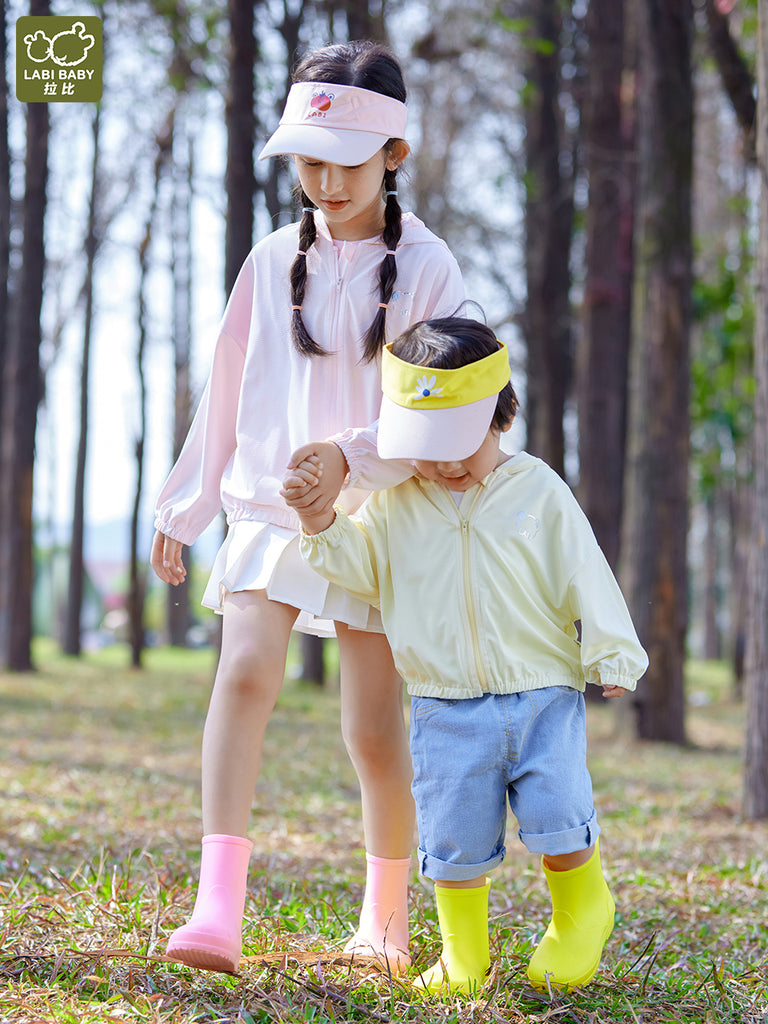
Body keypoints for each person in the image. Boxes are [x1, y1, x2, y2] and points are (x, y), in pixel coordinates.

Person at [150, 41, 464, 975]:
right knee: (243, 675)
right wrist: (188, 502)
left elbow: (447, 400)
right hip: (270, 513)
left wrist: (349, 460)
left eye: (347, 161)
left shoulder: (431, 268)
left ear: (395, 156)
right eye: (309, 160)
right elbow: (226, 385)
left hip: (377, 520)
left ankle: (386, 921)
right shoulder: (268, 259)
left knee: (372, 726)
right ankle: (216, 909)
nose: (325, 180)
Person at [282, 316, 649, 994]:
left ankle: (582, 910)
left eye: (459, 444)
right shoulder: (397, 503)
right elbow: (360, 567)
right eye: (427, 447)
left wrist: (611, 652)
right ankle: (462, 957)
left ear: (501, 415)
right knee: (451, 842)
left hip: (541, 692)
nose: (446, 464)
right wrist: (319, 522)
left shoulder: (537, 489)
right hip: (444, 705)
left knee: (558, 815)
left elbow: (584, 570)